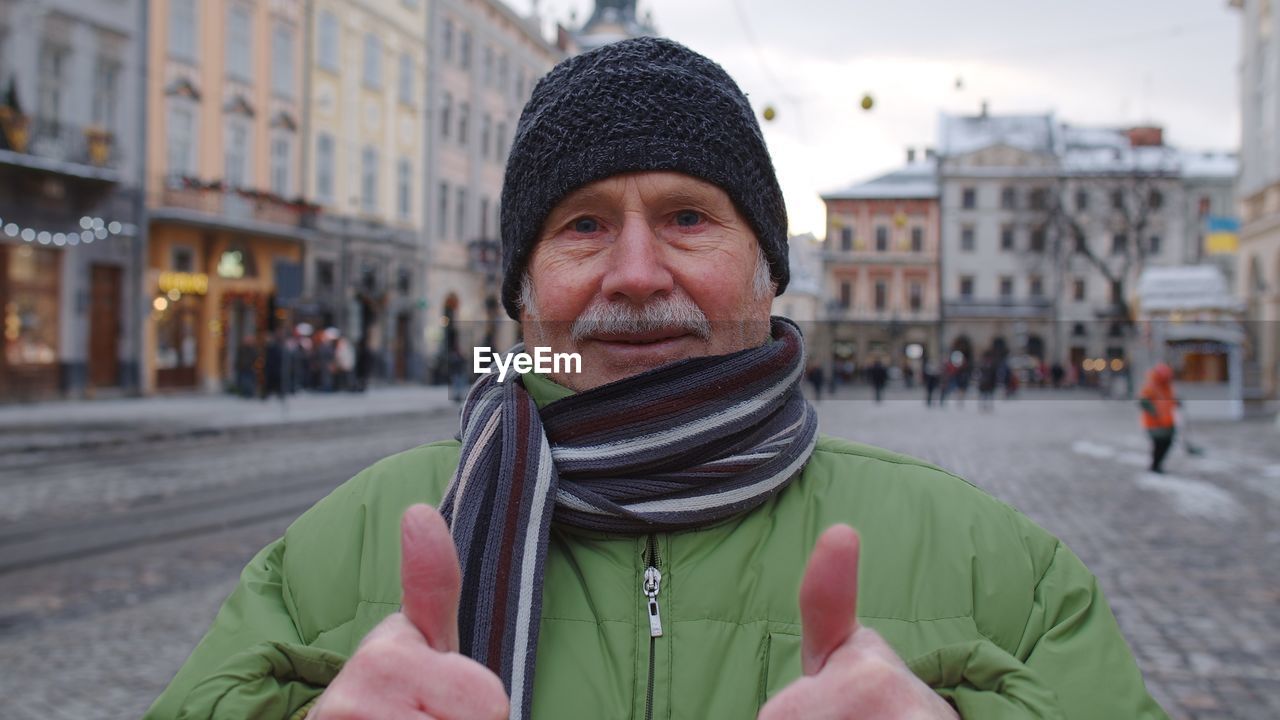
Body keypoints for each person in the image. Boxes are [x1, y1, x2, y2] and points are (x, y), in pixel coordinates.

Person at [147, 38, 1165, 720]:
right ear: (521, 292)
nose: (635, 274)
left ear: (768, 271)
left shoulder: (1007, 578)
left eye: (686, 216)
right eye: (582, 224)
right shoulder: (331, 555)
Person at [1139, 363, 1179, 474]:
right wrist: (1153, 412)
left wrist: (1176, 402)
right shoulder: (1151, 386)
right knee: (1159, 444)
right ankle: (1155, 466)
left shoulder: (1167, 386)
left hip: (1167, 421)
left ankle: (1157, 465)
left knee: (1167, 443)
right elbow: (1143, 400)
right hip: (1155, 423)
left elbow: (1168, 400)